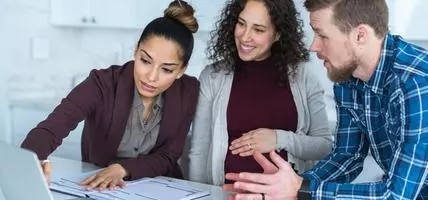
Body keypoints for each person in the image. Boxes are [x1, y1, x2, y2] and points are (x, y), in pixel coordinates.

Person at [224, 0, 428, 199]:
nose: (313, 46)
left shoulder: (417, 83)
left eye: (322, 35)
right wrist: (283, 186)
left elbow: (398, 194)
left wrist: (299, 190)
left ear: (360, 35)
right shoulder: (348, 78)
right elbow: (346, 158)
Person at [21, 0, 199, 191]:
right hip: (103, 189)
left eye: (166, 69)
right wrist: (34, 160)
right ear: (136, 50)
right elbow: (53, 127)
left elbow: (168, 156)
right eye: (145, 60)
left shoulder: (188, 91)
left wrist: (123, 168)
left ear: (181, 70)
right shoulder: (102, 83)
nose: (151, 77)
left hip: (162, 190)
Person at [187, 0, 333, 186]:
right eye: (241, 24)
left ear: (278, 34)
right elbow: (199, 151)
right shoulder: (213, 77)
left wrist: (279, 138)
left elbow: (324, 146)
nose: (245, 36)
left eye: (258, 30)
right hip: (226, 194)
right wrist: (199, 194)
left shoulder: (304, 77)